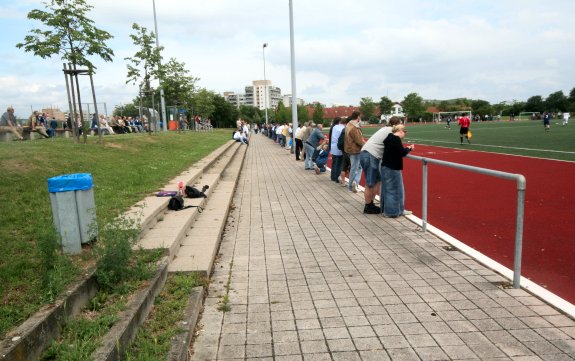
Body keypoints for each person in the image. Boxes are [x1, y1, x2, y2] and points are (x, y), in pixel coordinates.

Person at [360, 116, 402, 214]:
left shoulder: (385, 129)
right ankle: (368, 206)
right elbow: (394, 146)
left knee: (377, 180)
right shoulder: (391, 131)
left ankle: (370, 203)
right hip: (370, 155)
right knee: (370, 183)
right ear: (397, 125)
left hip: (368, 154)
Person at [381, 124, 414, 218]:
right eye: (405, 132)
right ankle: (392, 212)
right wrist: (409, 148)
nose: (405, 134)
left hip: (386, 166)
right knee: (395, 190)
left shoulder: (389, 138)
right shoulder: (395, 139)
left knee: (389, 189)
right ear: (400, 131)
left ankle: (396, 210)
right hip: (392, 167)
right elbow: (402, 152)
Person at [344, 111, 365, 193]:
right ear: (358, 117)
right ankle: (353, 184)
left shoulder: (348, 125)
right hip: (355, 150)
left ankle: (353, 184)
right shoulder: (354, 127)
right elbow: (359, 141)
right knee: (356, 168)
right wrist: (367, 145)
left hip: (350, 149)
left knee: (355, 167)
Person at [329, 117, 344, 183]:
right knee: (339, 163)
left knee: (334, 162)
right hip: (338, 147)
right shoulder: (340, 127)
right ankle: (337, 177)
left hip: (333, 146)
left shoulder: (333, 127)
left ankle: (333, 177)